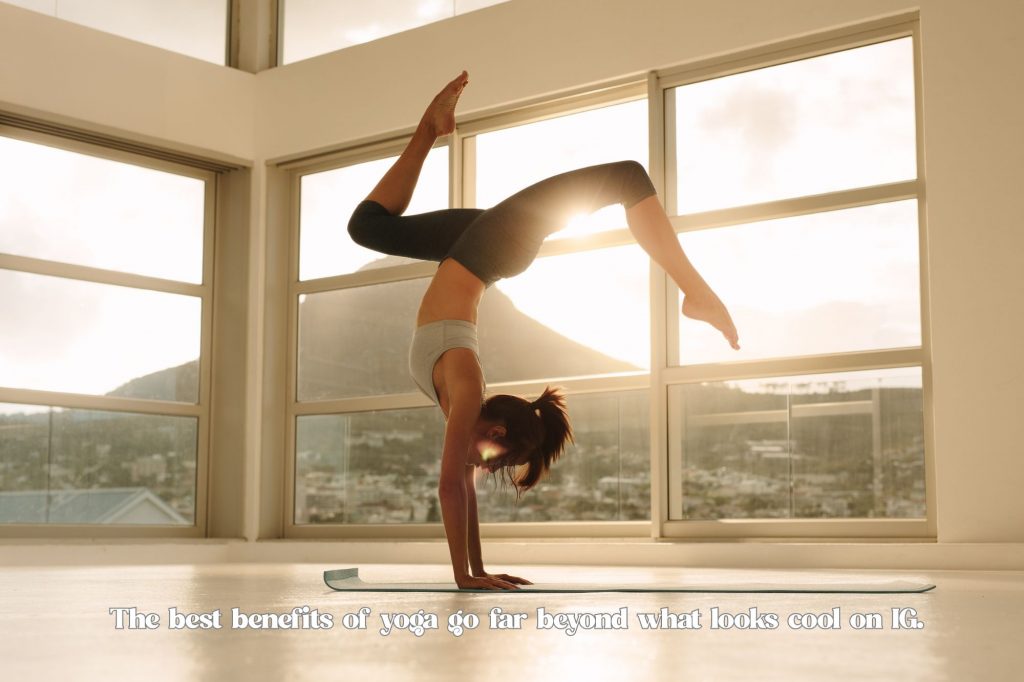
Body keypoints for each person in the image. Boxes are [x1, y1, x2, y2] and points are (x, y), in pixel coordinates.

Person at [348, 71, 739, 590]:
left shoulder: (463, 413)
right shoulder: (466, 391)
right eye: (497, 458)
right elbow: (450, 487)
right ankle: (696, 293)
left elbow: (458, 489)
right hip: (491, 249)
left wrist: (478, 571)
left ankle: (430, 130)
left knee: (368, 227)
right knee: (626, 176)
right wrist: (465, 577)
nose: (484, 466)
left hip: (475, 251)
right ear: (496, 432)